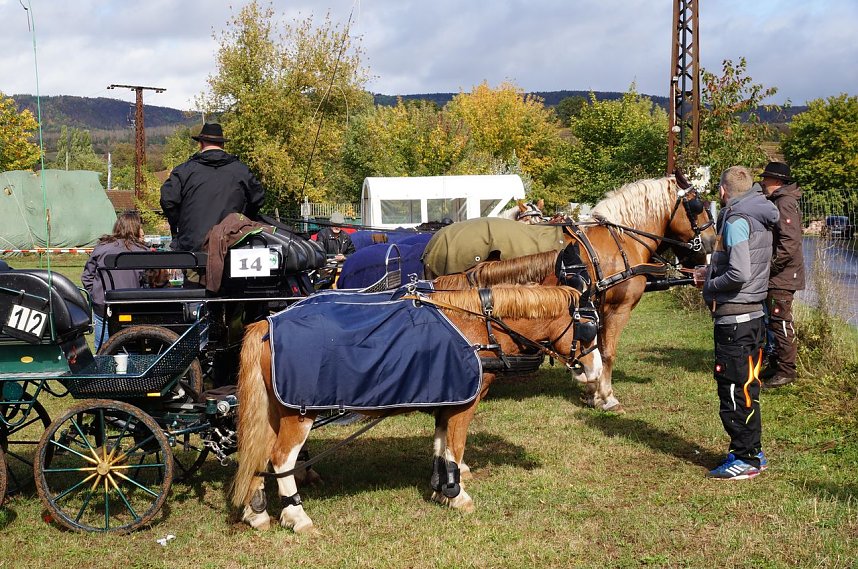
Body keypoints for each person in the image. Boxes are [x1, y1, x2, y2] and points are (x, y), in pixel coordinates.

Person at [693, 166, 779, 480]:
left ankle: (745, 459)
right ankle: (752, 450)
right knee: (748, 387)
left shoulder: (737, 220)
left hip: (736, 323)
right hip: (754, 316)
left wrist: (710, 286)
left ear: (723, 190)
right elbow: (748, 267)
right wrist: (710, 274)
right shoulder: (759, 214)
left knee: (733, 389)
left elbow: (740, 272)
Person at [159, 123, 265, 253]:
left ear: (201, 144)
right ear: (223, 144)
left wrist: (181, 223)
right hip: (233, 244)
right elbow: (258, 199)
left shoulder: (184, 171)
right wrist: (242, 219)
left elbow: (168, 200)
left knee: (195, 272)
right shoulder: (241, 171)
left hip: (193, 248)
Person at [758, 162, 805, 388]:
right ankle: (777, 365)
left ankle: (787, 370)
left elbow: (789, 242)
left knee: (781, 321)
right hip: (780, 275)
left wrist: (771, 266)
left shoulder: (784, 202)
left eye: (766, 179)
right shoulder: (779, 200)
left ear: (776, 181)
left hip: (782, 276)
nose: (763, 183)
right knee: (775, 321)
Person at [81, 211, 150, 352]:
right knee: (132, 351)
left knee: (103, 351)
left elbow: (87, 277)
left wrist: (96, 293)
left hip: (104, 306)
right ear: (136, 228)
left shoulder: (101, 248)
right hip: (132, 307)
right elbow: (148, 280)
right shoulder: (141, 251)